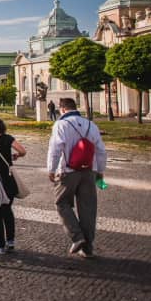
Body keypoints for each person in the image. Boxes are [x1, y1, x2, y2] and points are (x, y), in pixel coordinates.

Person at [47, 97, 107, 258]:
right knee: (88, 208)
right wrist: (100, 171)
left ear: (62, 109)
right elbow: (101, 150)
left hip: (68, 171)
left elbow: (55, 149)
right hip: (89, 171)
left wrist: (51, 169)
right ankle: (88, 248)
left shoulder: (61, 124)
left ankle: (77, 236)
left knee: (61, 203)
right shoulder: (91, 125)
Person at [0, 117, 27, 254]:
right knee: (7, 211)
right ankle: (11, 241)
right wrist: (15, 156)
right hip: (8, 180)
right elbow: (23, 151)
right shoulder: (8, 138)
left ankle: (0, 245)